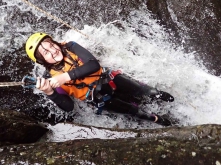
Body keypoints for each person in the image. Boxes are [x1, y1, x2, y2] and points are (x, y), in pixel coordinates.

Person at [25, 33, 175, 126]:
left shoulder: (70, 47)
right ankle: (156, 119)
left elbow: (93, 64)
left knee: (145, 91)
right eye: (46, 52)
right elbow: (69, 107)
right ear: (41, 60)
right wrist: (50, 92)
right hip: (99, 98)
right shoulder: (50, 79)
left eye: (51, 44)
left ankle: (158, 94)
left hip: (108, 79)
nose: (53, 50)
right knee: (134, 111)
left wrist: (66, 76)